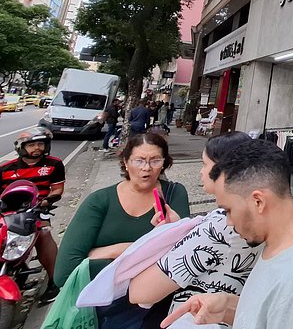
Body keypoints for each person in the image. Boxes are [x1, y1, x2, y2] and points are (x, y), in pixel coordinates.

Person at [160, 139, 293, 329]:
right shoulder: (280, 250)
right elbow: (268, 314)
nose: (229, 221)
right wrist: (227, 306)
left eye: (228, 210)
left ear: (258, 201)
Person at [55, 132, 190, 328]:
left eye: (155, 160)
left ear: (164, 163)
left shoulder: (174, 194)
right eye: (139, 160)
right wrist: (147, 252)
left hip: (155, 311)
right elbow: (65, 273)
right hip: (101, 313)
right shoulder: (100, 201)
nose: (147, 168)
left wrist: (108, 252)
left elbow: (179, 259)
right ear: (125, 162)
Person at [128, 132, 260, 316]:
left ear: (226, 171)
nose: (201, 171)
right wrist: (179, 228)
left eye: (205, 164)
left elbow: (140, 293)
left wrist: (164, 240)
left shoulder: (221, 227)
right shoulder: (260, 214)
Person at [0, 128, 64, 304]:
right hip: (7, 212)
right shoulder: (5, 168)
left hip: (37, 210)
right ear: (21, 147)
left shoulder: (55, 164)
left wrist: (44, 202)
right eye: (32, 144)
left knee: (43, 235)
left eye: (40, 143)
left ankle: (55, 281)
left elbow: (57, 189)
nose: (37, 147)